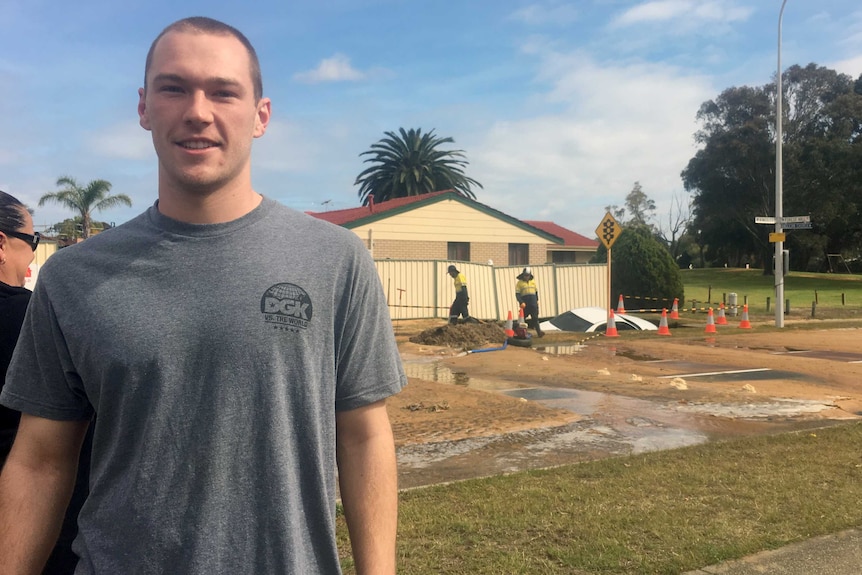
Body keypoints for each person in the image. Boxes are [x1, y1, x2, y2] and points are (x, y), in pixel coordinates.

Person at [0, 17, 406, 575]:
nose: (198, 111)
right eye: (174, 87)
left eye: (223, 91)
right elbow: (41, 461)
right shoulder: (73, 277)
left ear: (260, 116)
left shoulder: (334, 260)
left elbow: (363, 436)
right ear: (144, 108)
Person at [0, 191, 91, 575]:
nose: (31, 256)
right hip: (42, 533)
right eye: (32, 242)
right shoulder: (34, 321)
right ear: (2, 244)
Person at [515, 267, 544, 337]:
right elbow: (517, 294)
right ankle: (519, 332)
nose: (526, 277)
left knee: (535, 318)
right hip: (525, 304)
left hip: (533, 303)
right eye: (525, 275)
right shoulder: (519, 283)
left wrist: (537, 300)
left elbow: (536, 292)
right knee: (522, 319)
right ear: (523, 275)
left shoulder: (533, 282)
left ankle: (539, 333)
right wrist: (521, 302)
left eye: (528, 275)